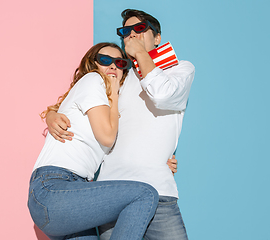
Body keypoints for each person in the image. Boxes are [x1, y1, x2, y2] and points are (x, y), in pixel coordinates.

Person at [45, 9, 195, 240]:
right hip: (112, 193)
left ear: (157, 38)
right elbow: (85, 106)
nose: (132, 35)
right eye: (126, 32)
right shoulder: (119, 78)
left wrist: (141, 54)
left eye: (140, 29)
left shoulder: (179, 70)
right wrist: (52, 116)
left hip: (159, 191)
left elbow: (162, 95)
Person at [28, 42, 159, 240]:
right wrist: (113, 94)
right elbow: (107, 137)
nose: (113, 66)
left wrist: (159, 159)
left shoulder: (106, 107)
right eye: (105, 60)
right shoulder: (93, 80)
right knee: (145, 194)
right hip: (54, 188)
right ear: (92, 64)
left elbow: (122, 143)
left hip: (72, 195)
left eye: (120, 62)